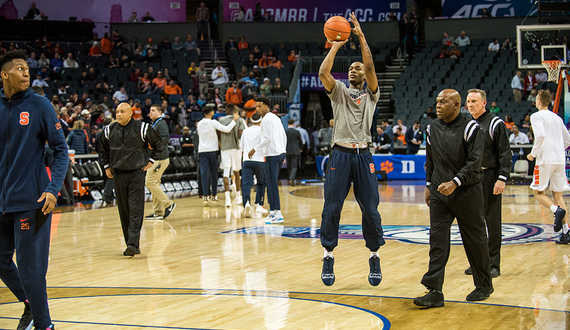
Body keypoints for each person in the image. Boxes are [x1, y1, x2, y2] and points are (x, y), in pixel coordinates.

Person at [0, 50, 68, 330]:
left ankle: (45, 325)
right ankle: (30, 304)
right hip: (3, 203)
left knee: (31, 272)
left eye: (27, 68)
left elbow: (61, 150)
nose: (26, 72)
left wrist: (53, 189)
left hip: (33, 201)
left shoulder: (40, 105)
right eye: (18, 68)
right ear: (4, 75)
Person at [317, 13, 384, 287]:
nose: (354, 70)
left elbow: (370, 66)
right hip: (341, 154)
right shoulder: (340, 91)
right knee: (332, 207)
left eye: (358, 68)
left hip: (363, 154)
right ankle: (328, 256)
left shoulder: (371, 93)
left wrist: (360, 36)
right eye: (351, 68)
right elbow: (323, 73)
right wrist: (336, 42)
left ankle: (375, 255)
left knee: (370, 208)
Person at [414, 89, 493, 308]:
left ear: (456, 105)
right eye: (437, 101)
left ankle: (484, 285)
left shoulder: (471, 128)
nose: (437, 105)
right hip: (440, 193)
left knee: (475, 240)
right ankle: (434, 290)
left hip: (467, 192)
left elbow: (475, 162)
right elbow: (430, 160)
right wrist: (429, 184)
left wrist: (455, 182)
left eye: (443, 102)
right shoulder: (431, 128)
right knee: (437, 241)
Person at [99, 103, 164, 256]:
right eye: (117, 112)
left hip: (136, 172)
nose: (119, 114)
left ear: (131, 114)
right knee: (124, 209)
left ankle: (133, 243)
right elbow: (102, 149)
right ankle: (131, 244)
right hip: (118, 174)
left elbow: (159, 144)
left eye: (122, 112)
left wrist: (152, 160)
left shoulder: (143, 128)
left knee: (135, 208)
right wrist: (107, 166)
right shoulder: (109, 130)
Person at [464, 89, 512, 279]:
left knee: (491, 222)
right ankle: (478, 263)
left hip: (490, 176)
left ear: (484, 103)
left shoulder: (495, 123)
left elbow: (505, 153)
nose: (470, 104)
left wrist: (502, 178)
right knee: (472, 223)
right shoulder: (466, 123)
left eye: (474, 101)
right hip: (470, 178)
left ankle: (493, 264)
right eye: (468, 101)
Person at [527, 90, 570, 243]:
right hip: (560, 159)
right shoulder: (557, 118)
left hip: (545, 159)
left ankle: (555, 210)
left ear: (538, 101)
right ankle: (567, 232)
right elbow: (568, 140)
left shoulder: (536, 116)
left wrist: (533, 154)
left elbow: (540, 136)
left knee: (538, 193)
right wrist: (557, 149)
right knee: (558, 196)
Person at [247, 96, 286, 223]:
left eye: (259, 106)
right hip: (279, 153)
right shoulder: (276, 118)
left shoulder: (266, 120)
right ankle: (274, 212)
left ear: (266, 106)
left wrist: (254, 149)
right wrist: (283, 151)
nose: (256, 109)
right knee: (271, 183)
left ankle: (277, 213)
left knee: (271, 184)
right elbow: (283, 136)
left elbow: (267, 139)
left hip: (272, 154)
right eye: (256, 106)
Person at [197, 104, 239, 205]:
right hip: (213, 150)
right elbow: (227, 129)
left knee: (204, 173)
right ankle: (214, 195)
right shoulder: (213, 122)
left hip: (202, 150)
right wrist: (234, 120)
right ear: (211, 113)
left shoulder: (199, 123)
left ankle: (205, 196)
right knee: (214, 172)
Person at [144, 104, 176, 220]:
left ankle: (168, 204)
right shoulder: (155, 124)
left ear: (160, 112)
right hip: (156, 158)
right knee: (155, 184)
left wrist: (154, 152)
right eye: (150, 110)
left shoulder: (161, 124)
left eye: (153, 110)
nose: (150, 112)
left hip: (159, 159)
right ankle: (158, 212)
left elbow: (164, 141)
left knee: (149, 182)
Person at [218, 103, 246, 206]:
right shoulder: (239, 120)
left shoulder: (221, 120)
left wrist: (221, 145)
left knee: (225, 173)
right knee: (237, 172)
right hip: (236, 148)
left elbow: (219, 135)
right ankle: (238, 196)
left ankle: (227, 198)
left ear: (228, 110)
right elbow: (240, 135)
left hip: (225, 149)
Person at [240, 114, 266, 217]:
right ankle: (259, 204)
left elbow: (241, 146)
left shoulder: (245, 131)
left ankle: (246, 202)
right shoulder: (262, 131)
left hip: (247, 160)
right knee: (261, 182)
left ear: (251, 120)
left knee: (246, 183)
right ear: (261, 121)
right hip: (259, 160)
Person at [285, 119, 303, 185]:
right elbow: (300, 141)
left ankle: (290, 178)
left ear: (287, 124)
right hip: (295, 150)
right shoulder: (296, 132)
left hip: (287, 150)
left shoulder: (285, 131)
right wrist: (301, 148)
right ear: (293, 124)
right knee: (294, 166)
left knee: (289, 166)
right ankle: (291, 178)